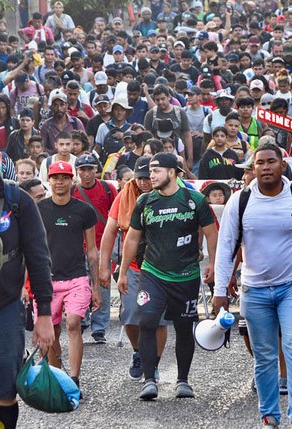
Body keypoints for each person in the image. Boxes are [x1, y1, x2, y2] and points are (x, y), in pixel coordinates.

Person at [212, 142, 292, 428]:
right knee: (264, 356)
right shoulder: (239, 201)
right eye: (259, 163)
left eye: (270, 161)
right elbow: (226, 245)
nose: (265, 167)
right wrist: (219, 291)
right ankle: (269, 417)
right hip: (253, 291)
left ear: (282, 165)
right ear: (253, 169)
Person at [117, 152, 217, 400]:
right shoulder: (145, 202)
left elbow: (212, 233)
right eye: (150, 170)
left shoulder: (194, 200)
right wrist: (122, 272)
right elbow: (132, 237)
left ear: (172, 172)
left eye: (156, 170)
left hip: (186, 275)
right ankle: (149, 380)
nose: (151, 175)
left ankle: (183, 380)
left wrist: (214, 264)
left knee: (184, 327)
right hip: (152, 273)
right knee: (147, 321)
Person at [0, 132, 53, 429]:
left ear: (0, 161)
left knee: (3, 392)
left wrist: (45, 315)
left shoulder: (19, 201)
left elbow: (39, 260)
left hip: (4, 311)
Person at [99, 156, 168, 381]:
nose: (144, 182)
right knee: (130, 316)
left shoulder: (170, 192)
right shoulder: (125, 195)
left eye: (148, 177)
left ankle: (154, 364)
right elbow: (110, 231)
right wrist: (104, 266)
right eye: (140, 178)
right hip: (132, 264)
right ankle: (139, 352)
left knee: (158, 319)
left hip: (162, 266)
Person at [37, 160, 99, 391]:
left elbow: (92, 251)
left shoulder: (84, 210)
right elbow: (30, 248)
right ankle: (56, 375)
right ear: (49, 180)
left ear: (72, 180)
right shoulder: (39, 209)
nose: (60, 182)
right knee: (50, 332)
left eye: (64, 177)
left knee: (73, 324)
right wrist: (25, 283)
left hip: (77, 278)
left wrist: (95, 287)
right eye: (55, 177)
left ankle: (73, 380)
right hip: (47, 279)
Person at [71, 154, 118, 344]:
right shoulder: (72, 190)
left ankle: (99, 328)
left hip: (101, 245)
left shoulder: (108, 188)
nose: (86, 173)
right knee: (81, 285)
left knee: (102, 286)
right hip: (76, 246)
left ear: (96, 170)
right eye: (82, 169)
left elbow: (116, 213)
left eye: (90, 168)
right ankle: (83, 320)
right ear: (77, 171)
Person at [144, 84, 194, 170]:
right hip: (157, 159)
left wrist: (190, 158)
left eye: (163, 99)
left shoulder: (180, 112)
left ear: (169, 97)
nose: (160, 102)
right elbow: (148, 138)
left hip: (178, 156)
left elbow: (187, 135)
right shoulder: (150, 115)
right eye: (157, 100)